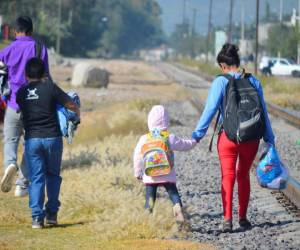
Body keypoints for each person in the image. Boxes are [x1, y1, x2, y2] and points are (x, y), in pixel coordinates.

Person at [192, 43, 275, 232]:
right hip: (251, 138)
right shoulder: (254, 81)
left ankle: (227, 219)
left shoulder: (220, 81)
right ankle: (243, 218)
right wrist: (269, 138)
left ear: (222, 65)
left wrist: (197, 134)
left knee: (227, 176)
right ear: (238, 62)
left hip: (228, 138)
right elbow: (263, 112)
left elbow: (210, 110)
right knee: (243, 175)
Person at [16, 58, 79, 229]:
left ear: (25, 74)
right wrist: (75, 114)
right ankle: (51, 214)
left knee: (36, 178)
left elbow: (21, 111)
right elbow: (70, 104)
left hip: (32, 140)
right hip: (52, 138)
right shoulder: (50, 88)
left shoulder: (21, 93)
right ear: (44, 73)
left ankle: (37, 218)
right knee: (53, 176)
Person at [0, 16, 50, 197]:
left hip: (14, 104)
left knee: (11, 140)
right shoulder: (39, 48)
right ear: (32, 31)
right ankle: (22, 183)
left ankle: (10, 164)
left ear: (15, 31)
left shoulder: (8, 49)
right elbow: (46, 77)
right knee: (31, 144)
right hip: (35, 106)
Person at [133, 105, 196, 222]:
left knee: (150, 197)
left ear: (149, 121)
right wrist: (194, 141)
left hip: (150, 175)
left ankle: (148, 216)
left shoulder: (144, 138)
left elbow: (137, 156)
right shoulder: (169, 138)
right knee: (173, 193)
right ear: (166, 121)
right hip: (167, 173)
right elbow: (184, 145)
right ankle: (177, 207)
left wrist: (137, 172)